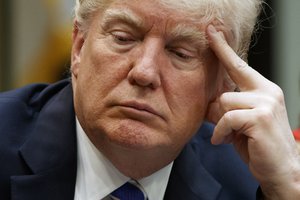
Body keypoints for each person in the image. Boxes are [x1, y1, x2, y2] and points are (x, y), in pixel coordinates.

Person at [0, 0, 300, 199]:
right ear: (78, 47)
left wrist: (287, 188)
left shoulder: (251, 183)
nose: (144, 72)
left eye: (180, 53)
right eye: (123, 37)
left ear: (222, 83)